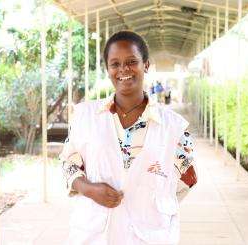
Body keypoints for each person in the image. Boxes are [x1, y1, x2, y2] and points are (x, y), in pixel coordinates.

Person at [60, 31, 197, 245]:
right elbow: (68, 163)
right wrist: (88, 189)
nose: (123, 69)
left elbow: (187, 179)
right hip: (94, 233)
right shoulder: (84, 117)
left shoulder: (174, 127)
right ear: (108, 69)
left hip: (149, 235)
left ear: (146, 65)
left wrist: (151, 200)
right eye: (115, 64)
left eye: (132, 61)